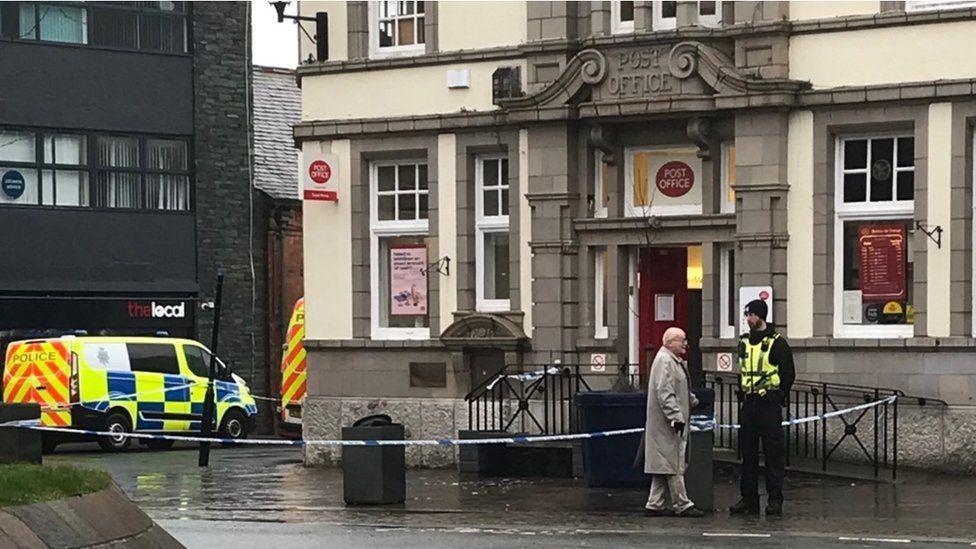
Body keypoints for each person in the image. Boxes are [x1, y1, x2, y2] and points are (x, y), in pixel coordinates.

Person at [729, 299, 795, 517]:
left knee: (773, 455)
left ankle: (774, 500)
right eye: (746, 315)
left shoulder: (777, 343)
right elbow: (742, 370)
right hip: (749, 404)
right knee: (747, 455)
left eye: (751, 315)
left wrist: (778, 395)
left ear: (760, 316)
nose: (748, 319)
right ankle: (748, 499)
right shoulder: (744, 342)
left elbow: (788, 374)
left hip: (768, 406)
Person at [642, 327, 705, 518]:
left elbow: (679, 389)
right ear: (670, 343)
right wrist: (676, 418)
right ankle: (682, 503)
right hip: (668, 424)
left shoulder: (671, 361)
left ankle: (654, 504)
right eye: (682, 340)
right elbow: (665, 393)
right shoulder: (665, 361)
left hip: (666, 423)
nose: (686, 343)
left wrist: (694, 401)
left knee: (663, 464)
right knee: (675, 463)